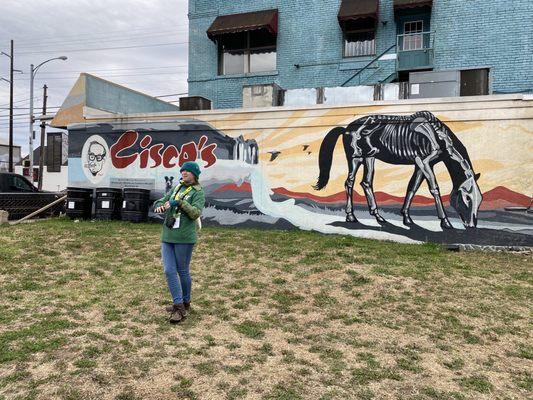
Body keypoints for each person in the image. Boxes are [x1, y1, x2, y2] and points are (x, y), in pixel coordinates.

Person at [153, 161, 205, 323]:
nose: (184, 173)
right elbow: (162, 200)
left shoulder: (198, 192)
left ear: (194, 174)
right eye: (182, 171)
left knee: (182, 271)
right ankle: (179, 305)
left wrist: (180, 203)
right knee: (169, 270)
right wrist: (160, 205)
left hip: (184, 237)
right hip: (168, 236)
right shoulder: (177, 188)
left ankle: (185, 302)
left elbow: (195, 213)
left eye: (187, 171)